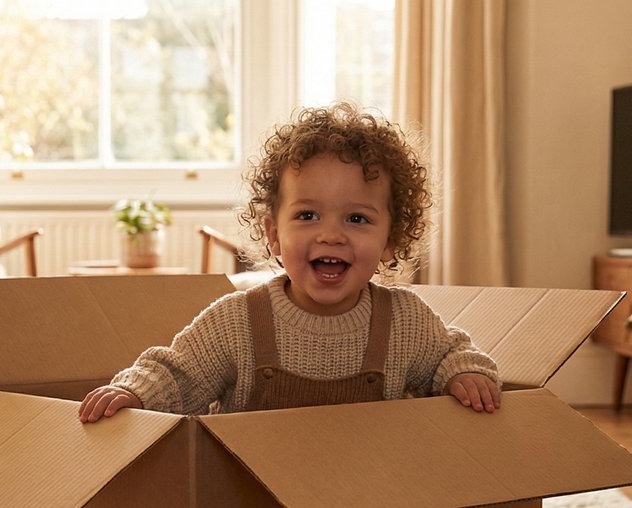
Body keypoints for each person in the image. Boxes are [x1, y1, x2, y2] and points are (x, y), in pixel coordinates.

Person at [78, 102, 500, 423]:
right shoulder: (236, 322)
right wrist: (134, 393)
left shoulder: (406, 321)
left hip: (365, 503)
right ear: (273, 233)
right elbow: (176, 374)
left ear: (391, 240)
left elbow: (454, 353)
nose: (330, 235)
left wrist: (465, 375)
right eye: (307, 215)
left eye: (356, 218)